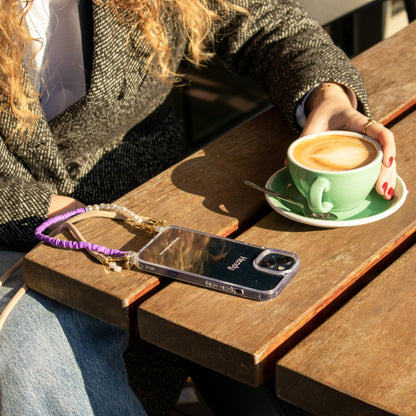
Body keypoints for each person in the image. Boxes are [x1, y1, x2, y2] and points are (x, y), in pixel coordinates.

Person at [0, 0, 397, 414]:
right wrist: (41, 208)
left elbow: (261, 16)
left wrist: (326, 94)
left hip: (154, 218)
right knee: (30, 342)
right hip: (22, 238)